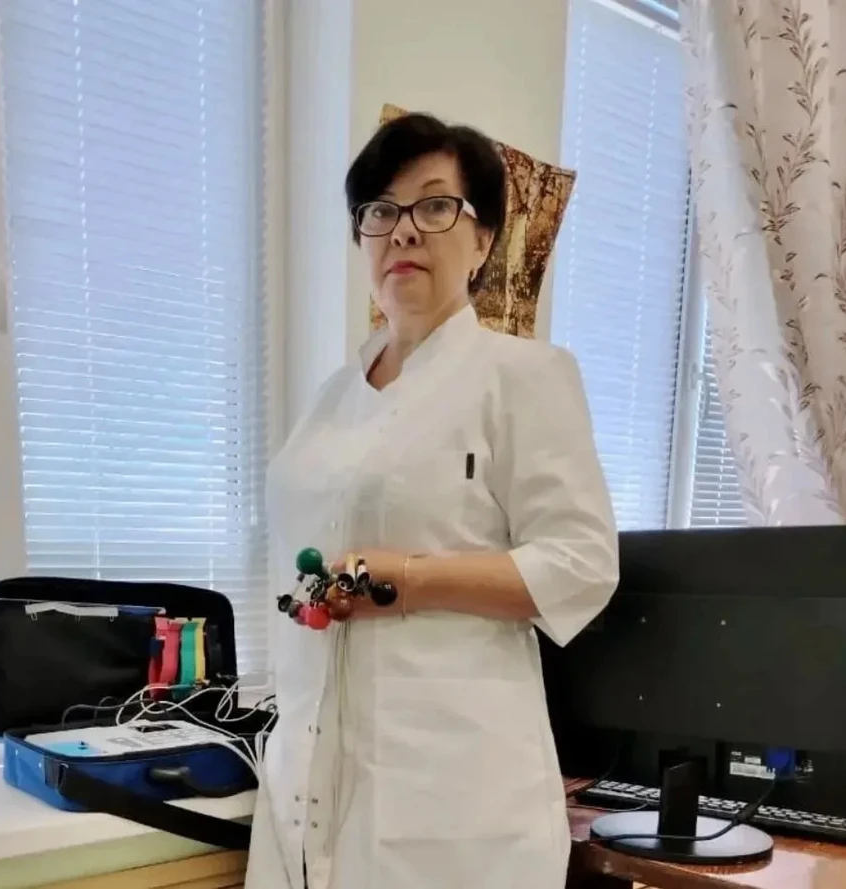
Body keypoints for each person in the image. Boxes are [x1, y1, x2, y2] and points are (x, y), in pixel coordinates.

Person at [245, 112, 619, 889]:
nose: (403, 230)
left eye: (435, 205)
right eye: (380, 211)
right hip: (309, 778)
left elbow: (583, 563)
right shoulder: (330, 401)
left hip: (455, 795)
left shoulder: (523, 377)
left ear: (482, 240)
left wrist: (408, 578)